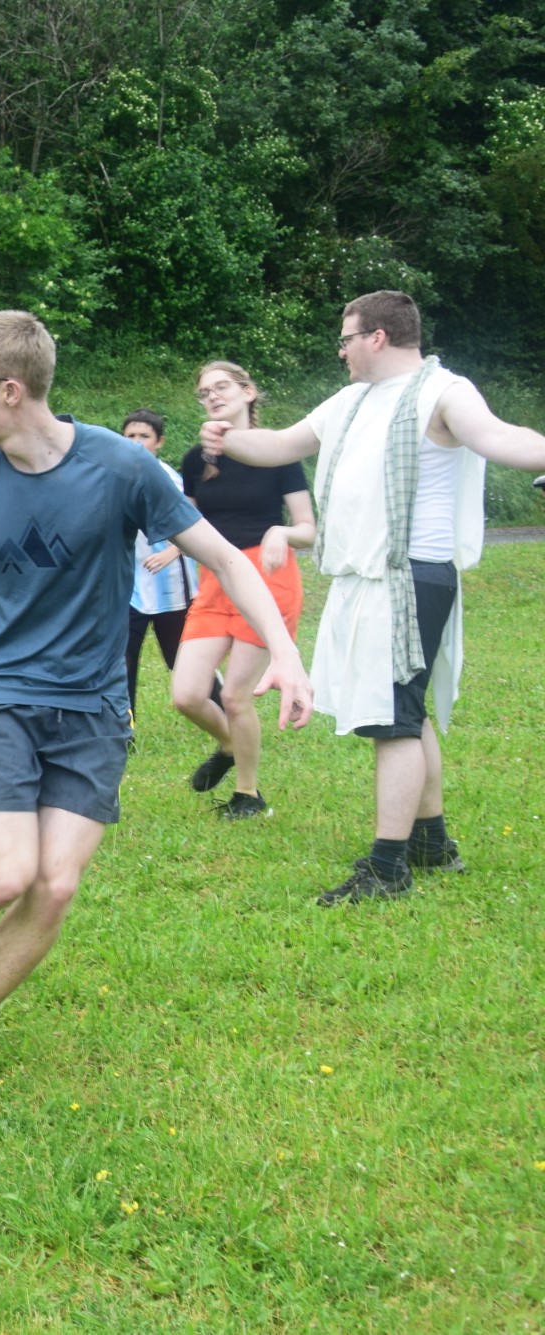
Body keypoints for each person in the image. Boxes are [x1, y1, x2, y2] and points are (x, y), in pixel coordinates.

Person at [0, 311, 312, 1087]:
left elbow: (224, 557)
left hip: (94, 708)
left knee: (56, 885)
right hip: (0, 696)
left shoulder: (122, 467)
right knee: (4, 874)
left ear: (11, 390)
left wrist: (285, 651)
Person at [203, 290, 545, 905]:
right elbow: (280, 445)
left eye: (346, 338)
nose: (341, 351)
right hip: (372, 578)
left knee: (394, 722)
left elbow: (500, 438)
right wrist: (227, 439)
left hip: (410, 575)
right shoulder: (353, 400)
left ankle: (388, 867)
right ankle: (431, 843)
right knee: (406, 711)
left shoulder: (444, 391)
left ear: (377, 337)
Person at [170, 364, 316, 820]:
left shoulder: (278, 453)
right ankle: (230, 744)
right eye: (204, 392)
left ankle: (248, 795)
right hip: (215, 581)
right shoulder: (195, 460)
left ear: (248, 392)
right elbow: (185, 525)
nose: (212, 396)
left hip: (270, 579)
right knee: (186, 694)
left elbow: (307, 528)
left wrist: (281, 532)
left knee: (235, 696)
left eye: (222, 387)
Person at [120, 411, 197, 715]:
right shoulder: (115, 477)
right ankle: (124, 728)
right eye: (130, 436)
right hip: (130, 587)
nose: (137, 442)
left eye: (145, 436)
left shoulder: (169, 480)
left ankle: (223, 710)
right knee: (122, 660)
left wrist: (172, 552)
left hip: (170, 588)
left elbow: (196, 522)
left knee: (182, 660)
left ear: (160, 442)